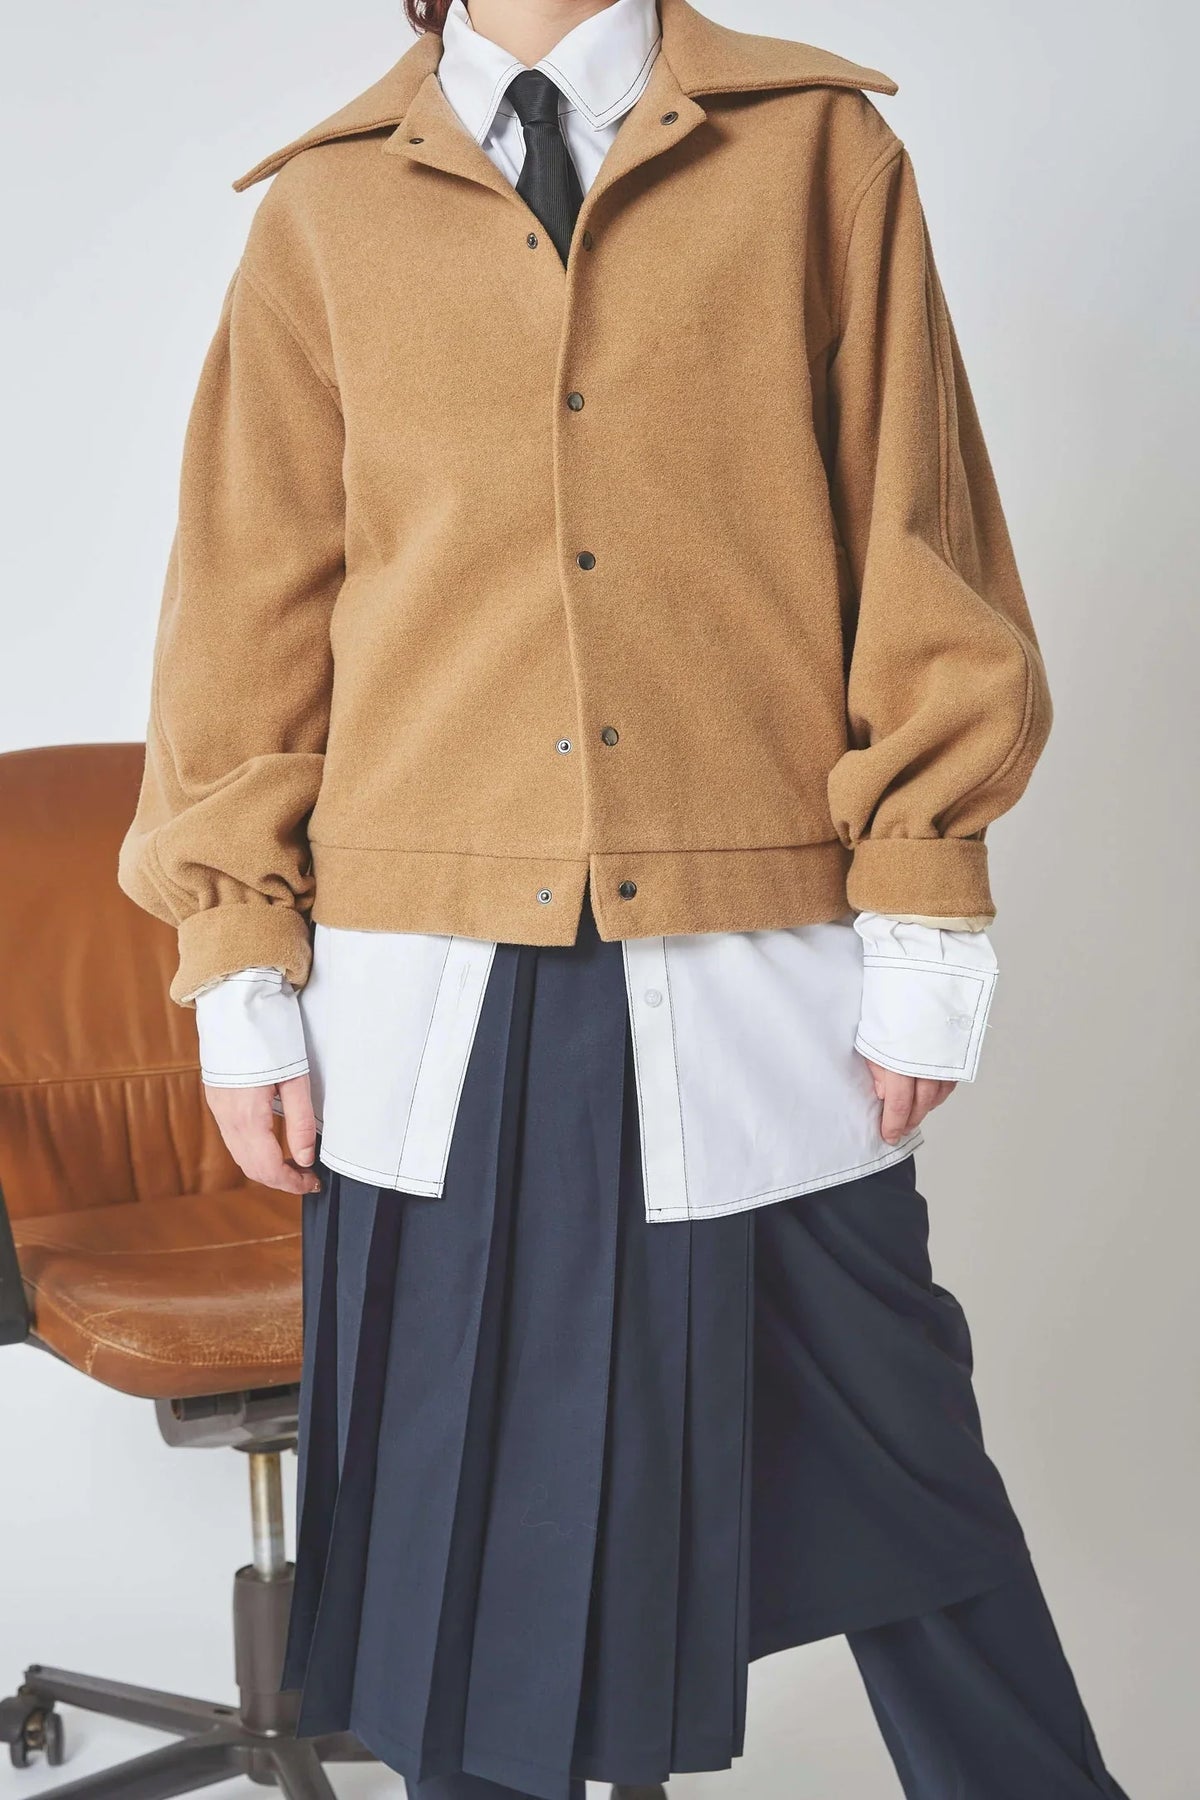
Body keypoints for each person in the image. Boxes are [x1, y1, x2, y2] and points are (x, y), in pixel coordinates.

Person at [117, 0, 1132, 1794]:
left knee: (914, 1496)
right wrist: (239, 961)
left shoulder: (817, 155)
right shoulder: (327, 211)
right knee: (460, 1569)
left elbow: (921, 546)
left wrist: (923, 918)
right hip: (424, 985)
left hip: (754, 959)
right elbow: (246, 613)